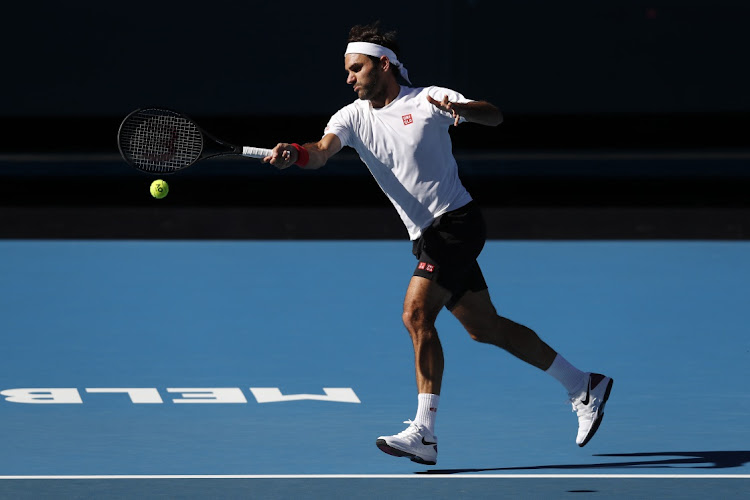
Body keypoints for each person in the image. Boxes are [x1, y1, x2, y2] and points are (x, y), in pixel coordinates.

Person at [263, 21, 613, 466]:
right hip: (427, 234)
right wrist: (295, 153)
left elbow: (494, 115)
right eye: (348, 71)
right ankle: (583, 384)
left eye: (356, 68)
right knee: (484, 328)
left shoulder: (427, 99)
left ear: (382, 64)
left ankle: (424, 433)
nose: (348, 78)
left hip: (456, 223)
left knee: (415, 313)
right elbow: (321, 151)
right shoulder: (350, 116)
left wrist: (462, 108)